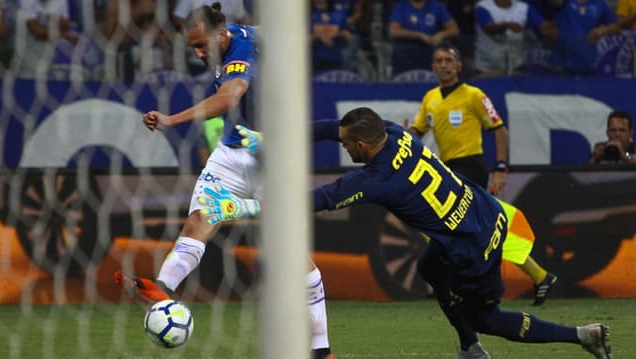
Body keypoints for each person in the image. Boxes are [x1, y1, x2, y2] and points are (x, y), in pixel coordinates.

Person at [198, 107, 613, 359]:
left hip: (474, 247)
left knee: (487, 317)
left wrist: (246, 206)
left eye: (347, 144)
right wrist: (267, 137)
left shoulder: (379, 178)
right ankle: (469, 348)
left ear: (362, 145)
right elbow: (332, 126)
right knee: (429, 265)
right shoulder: (395, 133)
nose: (343, 147)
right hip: (484, 213)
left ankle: (582, 336)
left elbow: (319, 199)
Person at [113, 5, 336, 359]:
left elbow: (229, 97)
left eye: (202, 46)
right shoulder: (233, 32)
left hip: (273, 156)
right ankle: (161, 289)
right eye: (193, 49)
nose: (199, 54)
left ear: (220, 36)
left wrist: (172, 119)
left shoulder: (240, 52)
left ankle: (321, 351)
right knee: (200, 219)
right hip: (233, 150)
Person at [407, 42, 557, 306]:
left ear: (458, 65)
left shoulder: (473, 95)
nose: (443, 65)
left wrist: (500, 167)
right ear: (432, 66)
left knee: (450, 226)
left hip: (470, 167)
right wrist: (404, 137)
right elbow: (418, 131)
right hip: (448, 168)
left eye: (447, 60)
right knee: (481, 230)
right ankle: (539, 275)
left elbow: (499, 129)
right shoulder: (430, 98)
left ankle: (453, 283)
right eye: (438, 61)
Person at [473, 0, 555, 78]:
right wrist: (507, 25)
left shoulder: (523, 7)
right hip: (487, 68)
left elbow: (543, 26)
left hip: (515, 66)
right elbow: (489, 28)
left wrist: (550, 29)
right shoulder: (483, 6)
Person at [387, 0, 459, 76]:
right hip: (406, 50)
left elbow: (454, 29)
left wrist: (441, 34)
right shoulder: (401, 6)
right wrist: (419, 35)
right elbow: (393, 31)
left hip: (430, 48)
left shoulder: (436, 5)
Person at [549, 0, 619, 74]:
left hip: (587, 66)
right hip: (561, 66)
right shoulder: (563, 2)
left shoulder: (600, 3)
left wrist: (602, 31)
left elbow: (616, 27)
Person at [311, 0, 354, 73]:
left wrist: (341, 34)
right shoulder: (309, 14)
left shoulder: (340, 13)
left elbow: (349, 38)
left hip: (335, 61)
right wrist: (317, 35)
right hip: (315, 61)